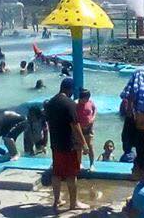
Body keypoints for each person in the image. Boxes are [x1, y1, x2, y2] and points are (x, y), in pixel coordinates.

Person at [44, 78, 89, 211]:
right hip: (68, 145)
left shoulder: (51, 103)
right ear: (69, 89)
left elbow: (47, 122)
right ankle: (73, 203)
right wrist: (84, 143)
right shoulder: (69, 104)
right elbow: (75, 125)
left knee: (56, 173)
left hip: (55, 143)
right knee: (71, 174)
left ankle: (57, 201)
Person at [76, 88, 97, 170]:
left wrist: (93, 118)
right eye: (83, 99)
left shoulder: (90, 103)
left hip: (89, 128)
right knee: (79, 147)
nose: (85, 100)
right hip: (80, 129)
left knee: (90, 146)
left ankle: (92, 164)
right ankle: (80, 163)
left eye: (87, 98)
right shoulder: (76, 104)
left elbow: (95, 110)